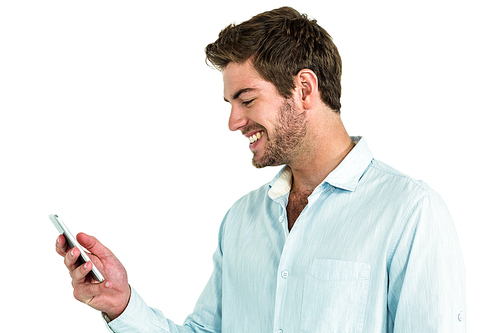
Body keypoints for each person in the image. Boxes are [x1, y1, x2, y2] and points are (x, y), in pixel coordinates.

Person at [55, 6, 466, 333]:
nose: (234, 122)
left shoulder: (411, 212)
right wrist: (121, 304)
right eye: (230, 104)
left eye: (246, 100)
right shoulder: (242, 220)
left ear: (304, 89)